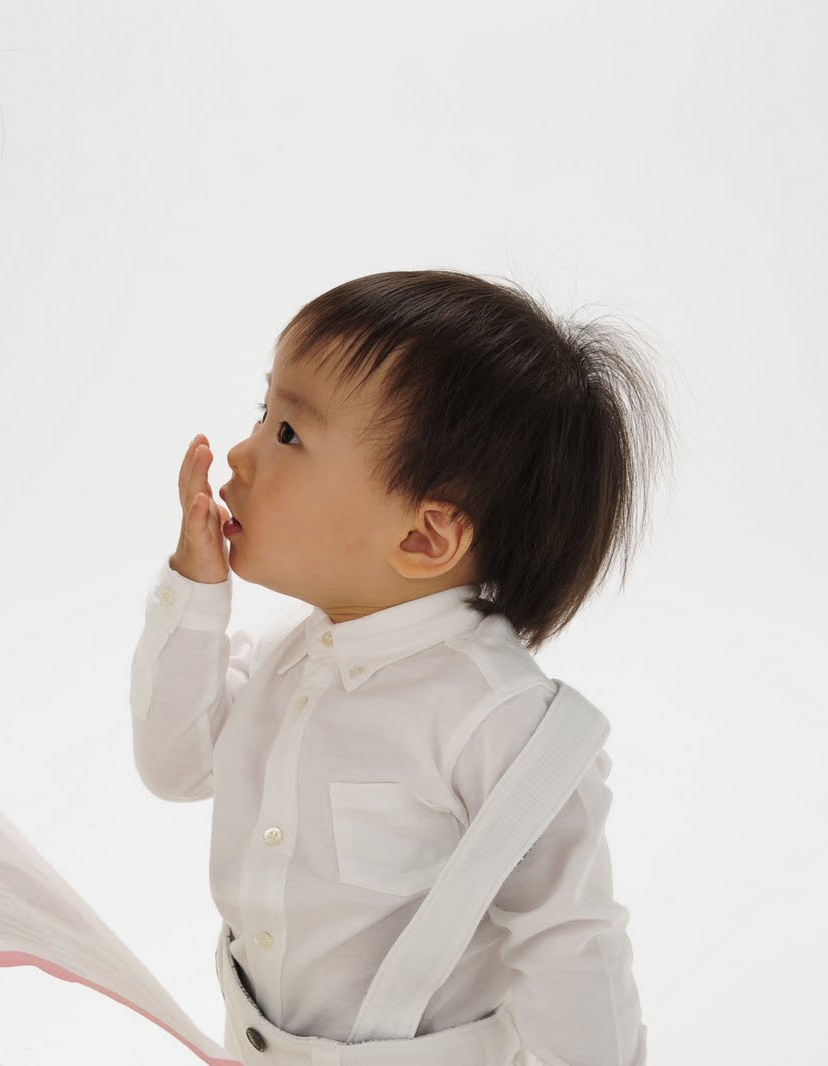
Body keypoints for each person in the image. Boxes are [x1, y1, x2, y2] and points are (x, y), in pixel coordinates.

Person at [131, 271, 661, 1065]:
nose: (240, 452)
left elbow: (571, 947)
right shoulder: (290, 650)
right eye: (262, 412)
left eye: (288, 435)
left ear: (423, 539)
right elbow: (173, 766)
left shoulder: (500, 721)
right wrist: (195, 595)